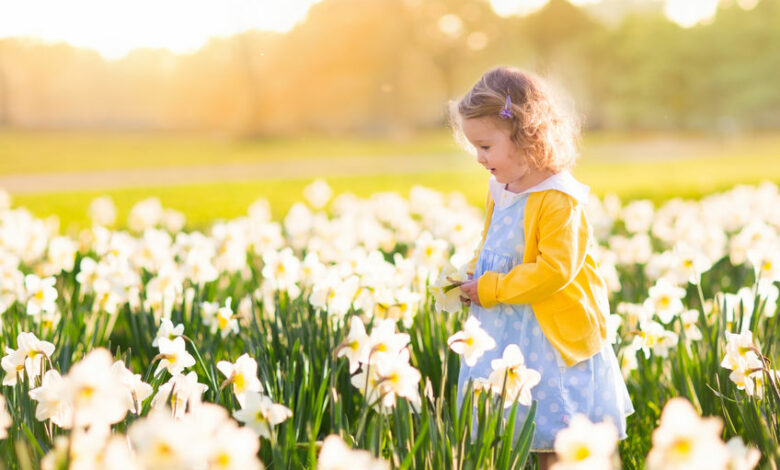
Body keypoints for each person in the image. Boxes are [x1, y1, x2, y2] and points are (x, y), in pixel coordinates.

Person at [453, 66, 634, 469]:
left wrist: (492, 288)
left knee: (557, 433)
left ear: (524, 135)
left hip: (551, 341)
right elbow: (491, 244)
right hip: (505, 328)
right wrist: (473, 277)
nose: (479, 158)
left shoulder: (558, 198)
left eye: (486, 146)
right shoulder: (500, 189)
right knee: (511, 431)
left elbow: (555, 271)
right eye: (474, 147)